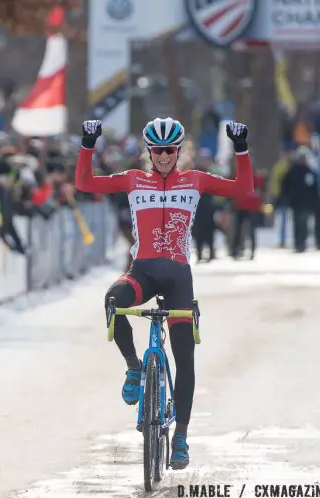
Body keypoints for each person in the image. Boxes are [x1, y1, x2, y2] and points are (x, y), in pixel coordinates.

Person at [74, 117, 254, 470]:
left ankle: (182, 436)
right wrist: (87, 144)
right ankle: (133, 368)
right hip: (142, 272)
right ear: (149, 152)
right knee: (113, 301)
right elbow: (84, 182)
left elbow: (242, 189)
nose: (164, 157)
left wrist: (242, 148)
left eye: (170, 150)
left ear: (179, 150)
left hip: (177, 279)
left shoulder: (195, 180)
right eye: (157, 151)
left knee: (184, 357)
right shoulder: (132, 179)